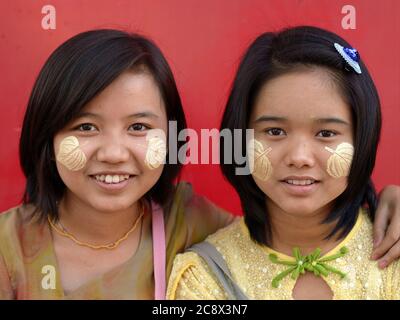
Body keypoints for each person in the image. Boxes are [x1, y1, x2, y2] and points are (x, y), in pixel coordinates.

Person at [0, 28, 399, 300]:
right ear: (46, 136)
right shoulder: (8, 247)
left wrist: (388, 199)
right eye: (86, 126)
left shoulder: (190, 220)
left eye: (139, 126)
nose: (114, 152)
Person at [167, 26, 400, 300]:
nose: (299, 157)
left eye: (326, 134)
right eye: (275, 132)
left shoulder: (394, 256)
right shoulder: (205, 277)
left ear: (363, 139)